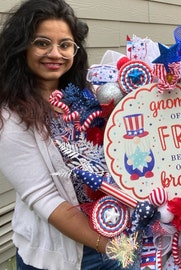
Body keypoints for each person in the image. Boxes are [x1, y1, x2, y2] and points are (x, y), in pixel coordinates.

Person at [0, 0, 122, 269]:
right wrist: (115, 246)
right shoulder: (9, 116)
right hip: (67, 253)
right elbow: (45, 198)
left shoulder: (86, 95)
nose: (55, 53)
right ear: (21, 47)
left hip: (115, 229)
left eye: (65, 45)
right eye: (42, 43)